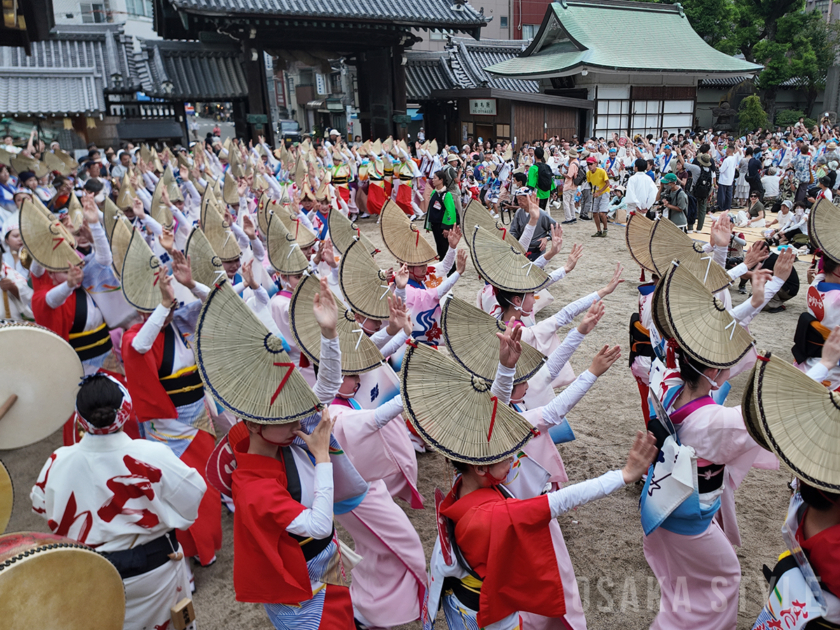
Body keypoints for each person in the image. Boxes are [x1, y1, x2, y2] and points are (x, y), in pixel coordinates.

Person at [31, 373, 206, 630]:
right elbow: (193, 494)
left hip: (89, 571)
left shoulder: (58, 460)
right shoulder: (150, 453)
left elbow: (41, 507)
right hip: (154, 566)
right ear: (124, 410)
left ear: (80, 418)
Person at [424, 170, 458, 263]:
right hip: (435, 225)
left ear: (441, 180)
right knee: (439, 247)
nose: (433, 180)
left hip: (442, 226)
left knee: (445, 248)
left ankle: (451, 269)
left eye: (435, 178)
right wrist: (429, 224)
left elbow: (450, 211)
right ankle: (442, 267)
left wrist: (446, 228)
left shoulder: (447, 195)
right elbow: (431, 209)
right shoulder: (434, 192)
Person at [585, 156, 610, 237]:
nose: (589, 166)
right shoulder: (588, 173)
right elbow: (590, 183)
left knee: (602, 213)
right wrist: (593, 191)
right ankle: (599, 230)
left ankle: (605, 228)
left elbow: (607, 183)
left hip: (604, 192)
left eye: (591, 164)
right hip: (596, 193)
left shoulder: (601, 171)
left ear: (595, 163)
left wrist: (599, 192)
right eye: (588, 164)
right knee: (595, 212)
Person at [562, 148, 581, 224]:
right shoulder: (576, 162)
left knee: (566, 202)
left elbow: (569, 175)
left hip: (569, 185)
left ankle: (568, 218)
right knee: (571, 202)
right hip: (574, 185)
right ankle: (573, 217)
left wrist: (562, 173)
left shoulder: (572, 164)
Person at [717, 146, 738, 212]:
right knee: (728, 195)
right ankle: (727, 207)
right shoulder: (734, 159)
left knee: (722, 195)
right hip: (730, 179)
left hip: (723, 179)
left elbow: (721, 170)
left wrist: (719, 166)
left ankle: (721, 207)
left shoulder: (726, 160)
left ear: (729, 151)